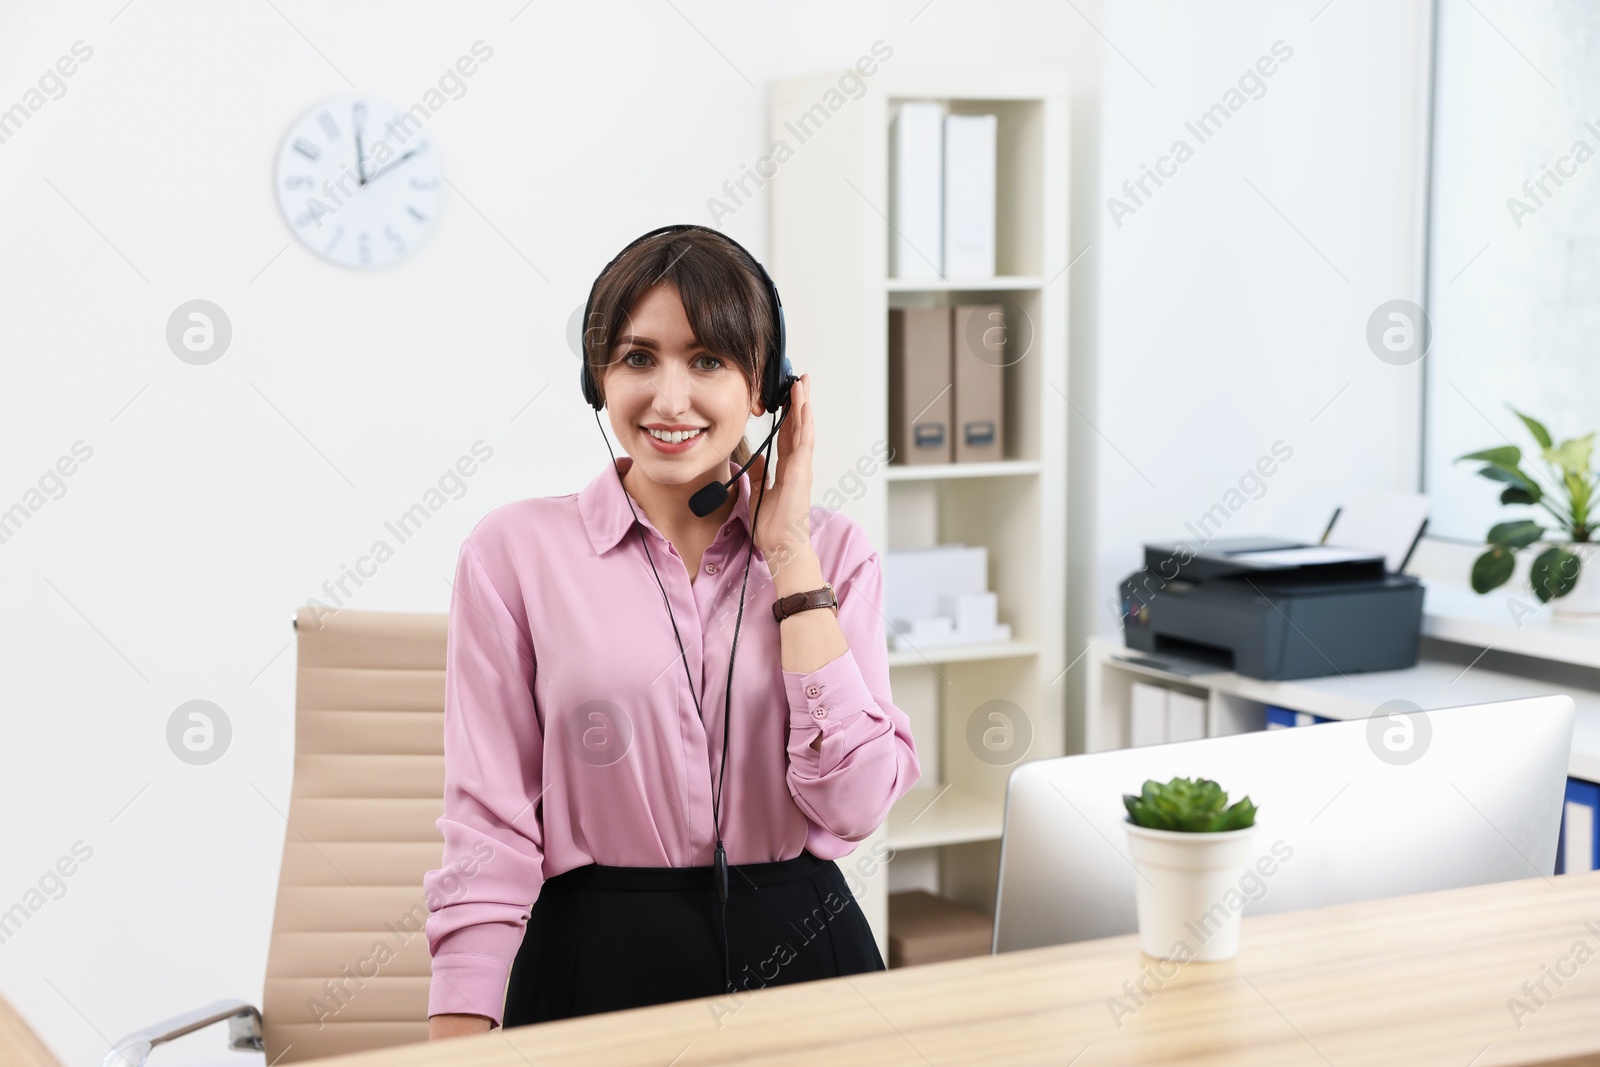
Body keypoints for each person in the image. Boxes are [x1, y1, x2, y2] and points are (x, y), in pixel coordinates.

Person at [424, 226, 921, 1040]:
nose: (669, 397)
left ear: (768, 388)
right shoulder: (512, 553)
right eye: (637, 357)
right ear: (598, 380)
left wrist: (789, 556)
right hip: (590, 964)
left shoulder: (834, 553)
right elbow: (489, 823)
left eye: (708, 360)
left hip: (806, 959)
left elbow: (858, 803)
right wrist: (457, 1036)